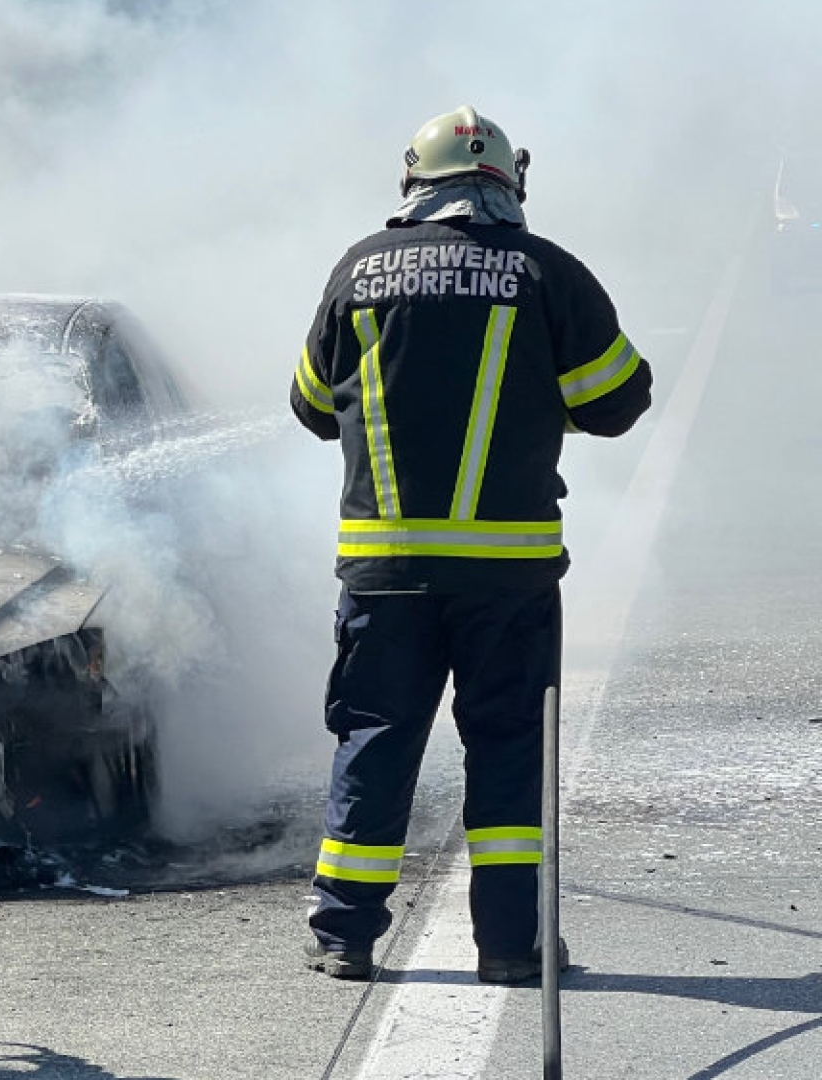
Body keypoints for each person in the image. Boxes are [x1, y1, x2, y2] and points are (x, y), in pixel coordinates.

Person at [291, 106, 652, 984]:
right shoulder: (547, 274)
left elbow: (308, 404)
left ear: (413, 183)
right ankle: (512, 947)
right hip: (507, 578)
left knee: (374, 740)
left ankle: (344, 936)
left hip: (386, 573)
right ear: (509, 184)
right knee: (507, 751)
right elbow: (618, 401)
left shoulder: (358, 268)